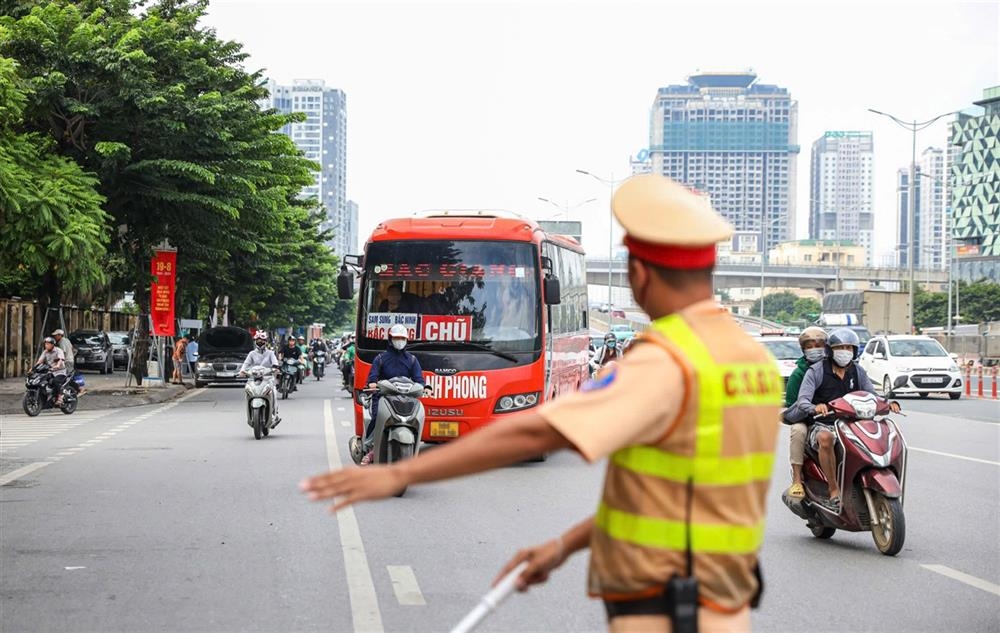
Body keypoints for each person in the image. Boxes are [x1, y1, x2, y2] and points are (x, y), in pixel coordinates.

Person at [301, 174, 784, 632]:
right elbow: (669, 499)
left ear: (638, 273)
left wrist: (403, 473)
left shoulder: (667, 361)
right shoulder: (753, 363)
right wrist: (560, 547)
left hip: (661, 606)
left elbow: (538, 431)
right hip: (723, 603)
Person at [786, 328, 900, 512]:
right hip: (823, 423)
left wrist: (887, 404)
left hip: (853, 423)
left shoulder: (858, 371)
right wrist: (816, 407)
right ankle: (833, 491)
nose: (844, 351)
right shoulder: (815, 371)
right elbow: (802, 400)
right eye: (840, 347)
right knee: (825, 438)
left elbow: (872, 394)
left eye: (849, 347)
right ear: (830, 350)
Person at [360, 324, 424, 466]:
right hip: (384, 397)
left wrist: (426, 388)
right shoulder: (381, 358)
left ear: (407, 340)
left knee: (416, 419)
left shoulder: (412, 360)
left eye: (402, 338)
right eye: (397, 338)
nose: (399, 341)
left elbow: (419, 380)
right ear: (390, 339)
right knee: (377, 417)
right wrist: (372, 384)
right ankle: (370, 447)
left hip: (406, 398)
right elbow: (373, 377)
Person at [781, 327, 828, 500]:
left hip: (832, 416)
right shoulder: (798, 374)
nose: (815, 348)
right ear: (803, 349)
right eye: (810, 345)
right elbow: (793, 405)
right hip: (807, 419)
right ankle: (797, 479)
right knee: (798, 431)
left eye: (819, 344)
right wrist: (812, 409)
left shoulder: (833, 368)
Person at [240, 331, 281, 427]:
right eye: (258, 340)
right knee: (247, 392)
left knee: (274, 392)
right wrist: (242, 371)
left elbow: (275, 363)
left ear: (265, 341)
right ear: (255, 341)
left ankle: (275, 413)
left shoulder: (270, 353)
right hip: (253, 379)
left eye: (262, 340)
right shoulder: (251, 354)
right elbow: (246, 364)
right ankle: (249, 413)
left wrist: (276, 369)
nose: (260, 342)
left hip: (268, 378)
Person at [36, 336, 68, 404]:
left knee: (55, 381)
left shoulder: (58, 350)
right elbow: (40, 361)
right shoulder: (45, 352)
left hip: (60, 372)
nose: (46, 345)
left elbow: (60, 359)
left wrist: (57, 365)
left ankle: (60, 397)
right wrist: (33, 368)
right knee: (41, 380)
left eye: (48, 344)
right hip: (50, 372)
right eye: (45, 344)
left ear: (52, 344)